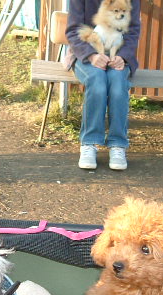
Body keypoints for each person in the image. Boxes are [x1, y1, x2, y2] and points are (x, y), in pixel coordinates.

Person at [64, 0, 141, 170]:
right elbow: (73, 31)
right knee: (97, 81)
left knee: (118, 84)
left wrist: (123, 56)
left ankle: (118, 144)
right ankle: (89, 143)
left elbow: (133, 30)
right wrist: (92, 55)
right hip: (85, 54)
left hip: (117, 55)